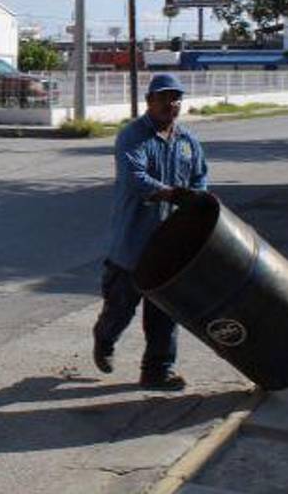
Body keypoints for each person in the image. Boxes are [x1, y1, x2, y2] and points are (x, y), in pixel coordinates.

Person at [93, 72, 209, 390]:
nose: (170, 104)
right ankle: (104, 338)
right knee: (120, 309)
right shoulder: (133, 136)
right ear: (149, 101)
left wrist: (196, 200)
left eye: (176, 98)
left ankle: (158, 371)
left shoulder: (187, 142)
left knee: (165, 311)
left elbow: (200, 178)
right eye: (163, 98)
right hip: (132, 243)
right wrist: (173, 194)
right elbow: (135, 178)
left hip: (170, 246)